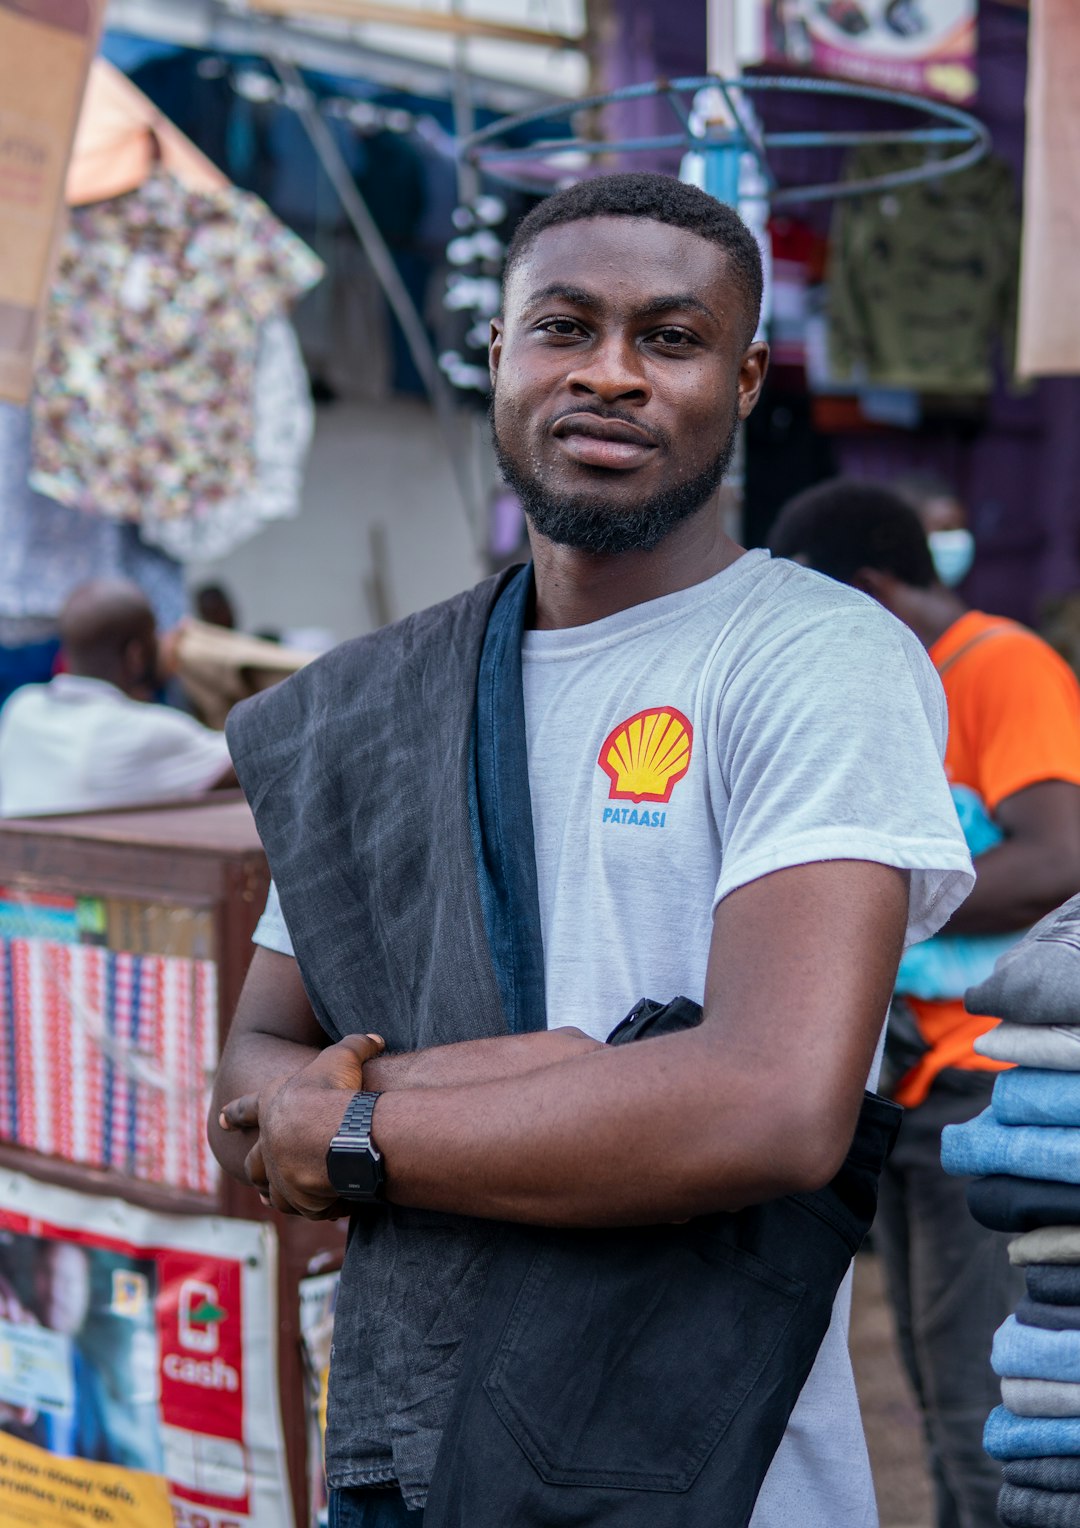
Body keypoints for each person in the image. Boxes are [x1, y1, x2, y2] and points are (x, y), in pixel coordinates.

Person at [209, 174, 973, 1528]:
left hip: (702, 1464)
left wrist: (370, 1128)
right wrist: (551, 1079)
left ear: (741, 384)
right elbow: (258, 1067)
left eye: (670, 340)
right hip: (421, 1446)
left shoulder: (813, 658)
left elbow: (772, 1103)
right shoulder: (388, 697)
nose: (610, 375)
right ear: (498, 356)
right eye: (565, 327)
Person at [769, 478, 1080, 1528]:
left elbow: (1057, 860)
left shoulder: (1003, 667)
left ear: (869, 591)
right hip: (907, 1080)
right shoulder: (897, 687)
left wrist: (859, 907)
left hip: (990, 1088)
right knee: (925, 1379)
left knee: (981, 1400)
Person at [0, 578, 234, 817]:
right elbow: (253, 753)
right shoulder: (134, 733)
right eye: (157, 637)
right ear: (136, 656)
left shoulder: (21, 707)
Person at [894, 472, 976, 589]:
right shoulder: (873, 606)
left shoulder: (960, 606)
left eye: (962, 526)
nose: (959, 538)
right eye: (945, 528)